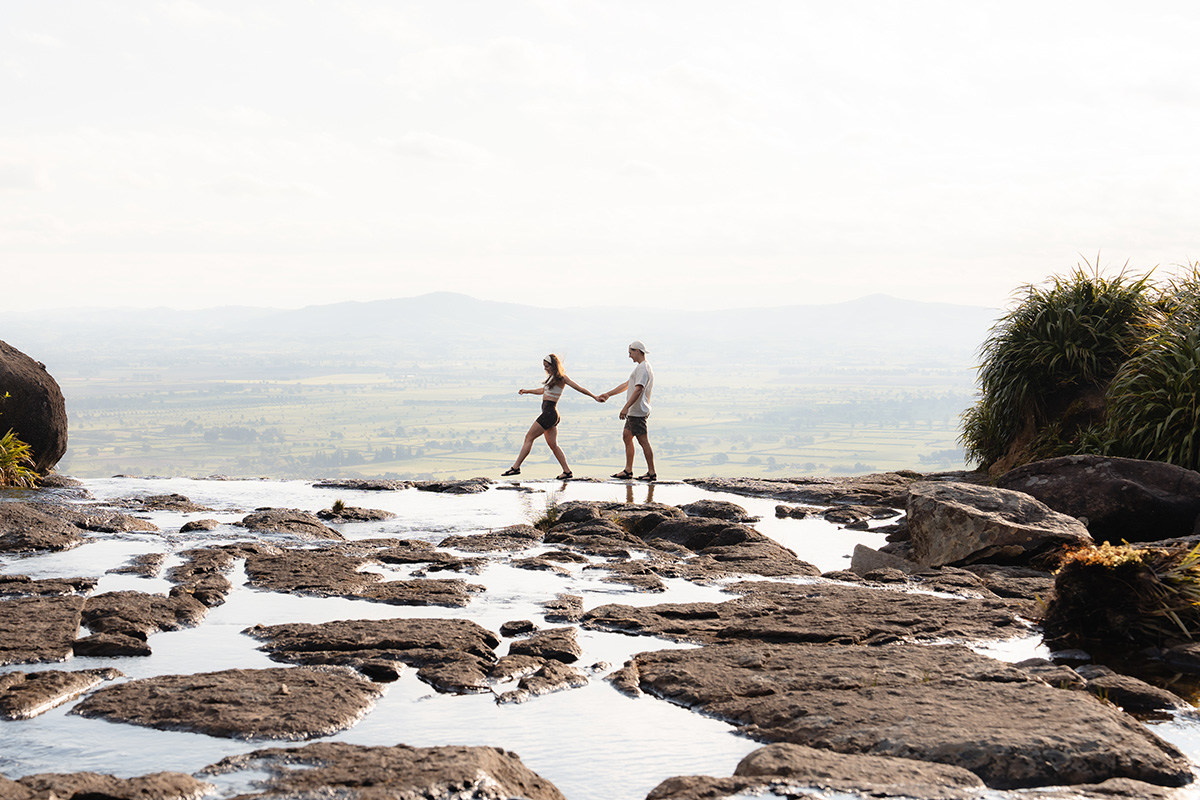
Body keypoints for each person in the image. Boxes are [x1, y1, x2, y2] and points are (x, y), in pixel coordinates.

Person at [502, 354, 598, 480]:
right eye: (544, 366)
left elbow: (579, 388)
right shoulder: (551, 378)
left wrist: (594, 397)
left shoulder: (562, 378)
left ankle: (516, 467)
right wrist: (527, 391)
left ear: (553, 365)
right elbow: (543, 390)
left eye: (547, 366)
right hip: (551, 415)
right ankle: (567, 471)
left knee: (528, 437)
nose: (545, 369)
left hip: (549, 414)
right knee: (553, 445)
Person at [597, 340, 656, 481]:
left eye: (631, 352)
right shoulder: (641, 368)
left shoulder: (643, 368)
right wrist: (609, 394)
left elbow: (638, 389)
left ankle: (651, 472)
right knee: (626, 435)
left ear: (637, 351)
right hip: (634, 412)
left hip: (637, 411)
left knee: (643, 441)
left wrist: (625, 407)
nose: (629, 356)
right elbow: (628, 384)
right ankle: (628, 470)